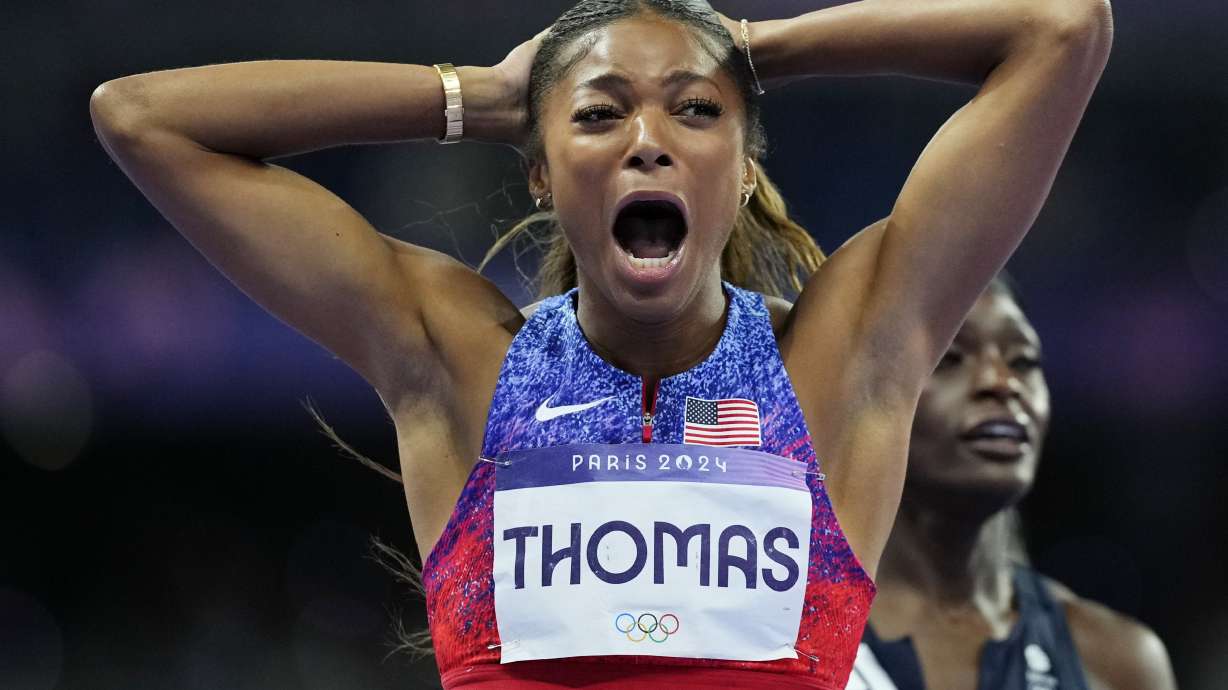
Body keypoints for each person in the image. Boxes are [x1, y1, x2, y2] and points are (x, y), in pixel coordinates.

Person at [88, 0, 1113, 687]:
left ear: (744, 168)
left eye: (696, 111)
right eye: (599, 113)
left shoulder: (837, 369)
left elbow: (1061, 29)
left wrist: (755, 46)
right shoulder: (463, 364)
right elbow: (141, 120)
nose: (648, 138)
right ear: (541, 173)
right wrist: (482, 97)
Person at [846, 277, 1177, 690]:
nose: (1002, 382)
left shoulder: (1116, 661)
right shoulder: (785, 630)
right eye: (949, 357)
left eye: (1022, 361)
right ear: (859, 393)